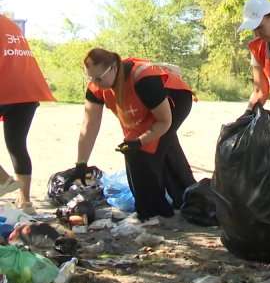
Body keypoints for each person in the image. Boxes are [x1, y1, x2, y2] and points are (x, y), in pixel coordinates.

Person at [67, 48, 196, 222]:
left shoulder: (144, 80)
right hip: (149, 106)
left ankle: (153, 212)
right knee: (157, 147)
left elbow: (164, 121)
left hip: (174, 100)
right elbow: (89, 125)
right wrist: (81, 164)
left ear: (114, 68)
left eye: (99, 78)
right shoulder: (96, 86)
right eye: (90, 78)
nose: (95, 83)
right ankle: (187, 197)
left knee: (144, 151)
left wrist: (140, 142)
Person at [0, 15, 56, 213]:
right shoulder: (9, 24)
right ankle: (25, 202)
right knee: (17, 145)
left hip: (5, 88)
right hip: (28, 91)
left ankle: (3, 179)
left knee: (16, 145)